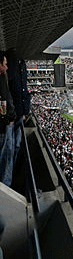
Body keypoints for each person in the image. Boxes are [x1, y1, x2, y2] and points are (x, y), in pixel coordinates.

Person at [0, 52, 16, 187]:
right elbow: (3, 103)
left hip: (5, 124)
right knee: (4, 159)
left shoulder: (3, 78)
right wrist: (7, 119)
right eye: (5, 64)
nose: (7, 67)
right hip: (3, 127)